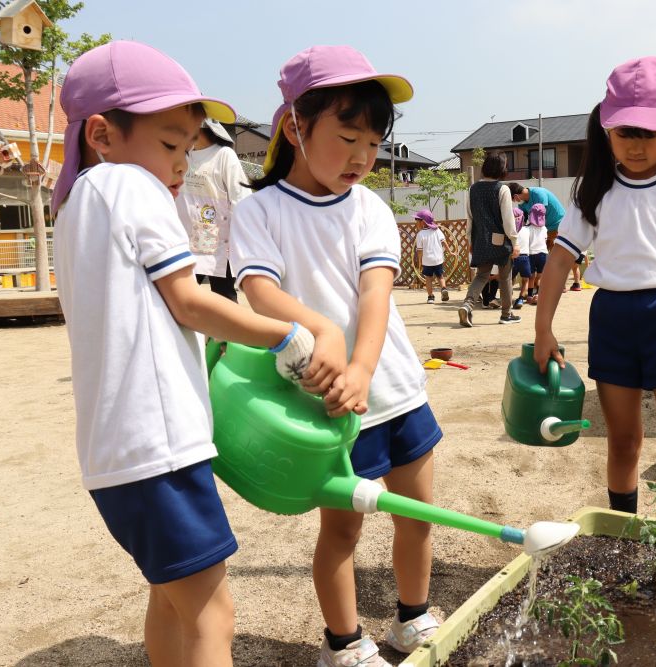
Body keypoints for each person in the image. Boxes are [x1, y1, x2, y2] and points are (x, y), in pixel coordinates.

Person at [51, 41, 315, 667]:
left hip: (117, 455)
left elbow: (149, 319)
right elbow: (188, 300)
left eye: (189, 147)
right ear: (102, 134)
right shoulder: (130, 185)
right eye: (170, 145)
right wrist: (283, 335)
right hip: (160, 450)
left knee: (170, 600)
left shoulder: (74, 208)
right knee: (210, 613)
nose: (181, 164)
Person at [228, 45, 442, 667]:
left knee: (417, 517)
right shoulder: (259, 210)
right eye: (347, 137)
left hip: (394, 388)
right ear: (295, 127)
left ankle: (412, 617)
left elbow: (376, 295)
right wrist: (324, 334)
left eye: (373, 144)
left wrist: (363, 369)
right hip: (328, 403)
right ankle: (344, 643)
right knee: (342, 531)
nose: (362, 157)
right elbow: (260, 291)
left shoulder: (371, 208)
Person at [533, 56, 656, 528]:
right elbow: (560, 261)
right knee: (623, 443)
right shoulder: (594, 190)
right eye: (624, 134)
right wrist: (543, 328)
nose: (636, 147)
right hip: (613, 319)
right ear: (605, 129)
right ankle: (624, 536)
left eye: (649, 133)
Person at [175, 118, 248, 302]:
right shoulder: (184, 156)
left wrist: (244, 240)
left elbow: (242, 199)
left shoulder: (224, 155)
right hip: (185, 241)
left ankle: (230, 331)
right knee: (182, 300)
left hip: (218, 246)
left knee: (224, 299)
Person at [457, 152, 521, 326]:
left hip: (480, 240)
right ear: (502, 168)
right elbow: (508, 220)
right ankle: (506, 314)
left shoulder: (472, 189)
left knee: (481, 275)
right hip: (500, 241)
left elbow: (469, 218)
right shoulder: (502, 189)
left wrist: (471, 241)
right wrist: (515, 243)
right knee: (505, 277)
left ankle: (467, 305)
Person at [508, 182, 582, 290]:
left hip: (558, 226)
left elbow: (541, 213)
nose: (514, 201)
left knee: (555, 257)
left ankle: (559, 285)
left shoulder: (538, 193)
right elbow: (522, 222)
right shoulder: (523, 205)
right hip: (545, 231)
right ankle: (542, 284)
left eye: (512, 199)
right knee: (545, 258)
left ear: (515, 196)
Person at [414, 208, 449, 303]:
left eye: (417, 220)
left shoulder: (420, 234)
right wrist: (450, 251)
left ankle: (430, 297)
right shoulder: (437, 231)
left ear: (423, 222)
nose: (416, 222)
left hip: (427, 261)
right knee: (440, 276)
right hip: (438, 259)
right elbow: (444, 242)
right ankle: (444, 289)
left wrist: (420, 261)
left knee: (428, 279)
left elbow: (420, 251)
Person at [525, 203, 549, 305]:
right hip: (543, 254)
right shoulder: (544, 228)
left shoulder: (527, 229)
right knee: (540, 276)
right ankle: (539, 295)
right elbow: (545, 239)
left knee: (531, 277)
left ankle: (530, 295)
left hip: (530, 254)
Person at [511, 207, 531, 308]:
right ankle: (520, 299)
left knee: (510, 279)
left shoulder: (510, 231)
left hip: (513, 258)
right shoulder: (527, 230)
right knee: (525, 280)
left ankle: (507, 297)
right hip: (525, 257)